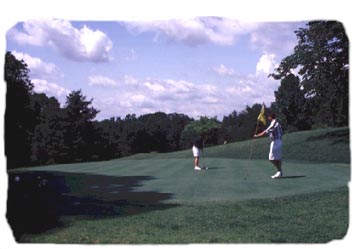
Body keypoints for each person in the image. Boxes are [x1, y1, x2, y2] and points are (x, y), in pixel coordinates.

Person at [254, 113, 283, 179]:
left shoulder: (274, 123)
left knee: (272, 158)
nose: (267, 118)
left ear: (271, 117)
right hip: (275, 141)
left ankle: (279, 171)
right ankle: (279, 171)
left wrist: (257, 135)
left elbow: (266, 131)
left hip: (277, 141)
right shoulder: (274, 122)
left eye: (268, 116)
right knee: (274, 158)